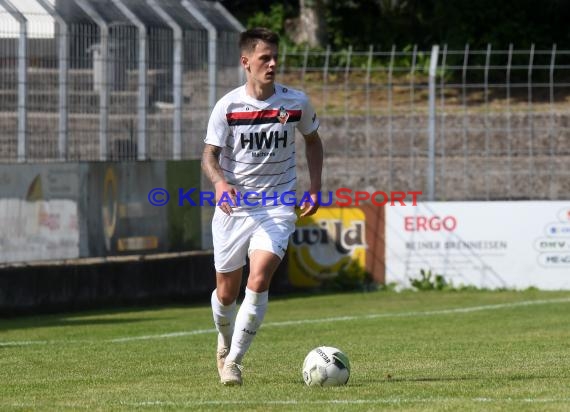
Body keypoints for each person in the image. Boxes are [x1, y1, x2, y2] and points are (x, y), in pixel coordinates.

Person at [201, 27, 323, 386]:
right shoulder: (228, 106)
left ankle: (234, 362)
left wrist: (315, 187)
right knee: (226, 292)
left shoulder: (295, 102)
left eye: (274, 58)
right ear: (246, 62)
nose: (272, 64)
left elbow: (314, 143)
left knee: (259, 276)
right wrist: (220, 183)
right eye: (263, 58)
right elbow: (209, 154)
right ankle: (224, 343)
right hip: (234, 208)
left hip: (278, 205)